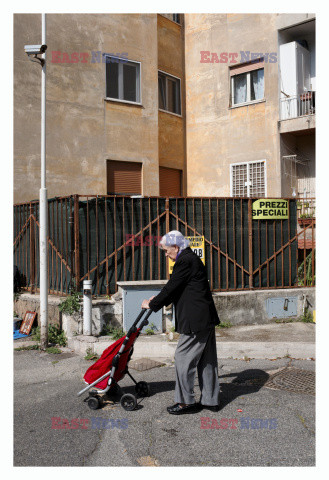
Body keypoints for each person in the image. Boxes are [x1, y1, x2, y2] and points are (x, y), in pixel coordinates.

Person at [141, 230, 220, 415]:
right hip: (205, 317)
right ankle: (210, 400)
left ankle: (185, 402)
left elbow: (171, 287)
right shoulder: (190, 259)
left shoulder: (184, 261)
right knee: (207, 361)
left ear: (176, 247)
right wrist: (158, 299)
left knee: (182, 358)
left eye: (166, 250)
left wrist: (152, 304)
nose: (166, 254)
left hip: (196, 320)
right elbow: (178, 288)